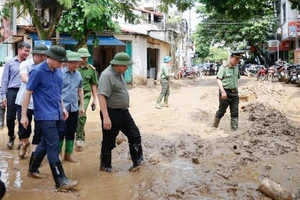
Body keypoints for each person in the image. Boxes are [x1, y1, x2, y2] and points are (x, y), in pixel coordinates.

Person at [20, 45, 78, 190]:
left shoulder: (58, 72)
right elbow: (27, 93)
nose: (61, 64)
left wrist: (63, 108)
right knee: (53, 145)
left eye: (62, 62)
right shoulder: (37, 72)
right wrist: (23, 116)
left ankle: (32, 170)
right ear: (49, 58)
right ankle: (60, 180)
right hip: (44, 115)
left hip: (57, 113)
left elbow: (58, 94)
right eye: (59, 61)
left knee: (45, 143)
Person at [98, 52, 143, 172]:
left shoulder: (119, 73)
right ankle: (105, 166)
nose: (127, 67)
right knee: (109, 142)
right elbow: (102, 96)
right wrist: (106, 117)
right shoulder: (106, 76)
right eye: (125, 65)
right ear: (117, 64)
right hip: (111, 113)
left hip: (124, 112)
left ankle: (137, 161)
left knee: (135, 135)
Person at [15, 44, 48, 158]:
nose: (43, 58)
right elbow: (24, 78)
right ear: (35, 55)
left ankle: (35, 153)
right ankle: (25, 142)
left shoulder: (47, 66)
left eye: (45, 55)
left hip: (40, 103)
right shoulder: (25, 64)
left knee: (39, 128)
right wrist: (39, 83)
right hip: (25, 101)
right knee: (24, 128)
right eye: (41, 55)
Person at [0, 42, 31, 149]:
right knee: (10, 117)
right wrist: (3, 95)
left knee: (22, 116)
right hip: (12, 92)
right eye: (25, 51)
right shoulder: (10, 63)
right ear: (19, 50)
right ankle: (11, 136)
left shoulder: (29, 64)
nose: (27, 53)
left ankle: (21, 139)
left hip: (24, 92)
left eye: (28, 51)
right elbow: (4, 80)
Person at [59, 51, 84, 162]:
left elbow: (80, 90)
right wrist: (62, 107)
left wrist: (82, 105)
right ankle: (58, 154)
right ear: (67, 62)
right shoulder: (59, 74)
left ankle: (68, 154)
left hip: (74, 107)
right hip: (61, 107)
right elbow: (57, 92)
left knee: (71, 131)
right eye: (73, 63)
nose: (75, 65)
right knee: (61, 130)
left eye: (77, 63)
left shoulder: (78, 75)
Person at [212, 51, 244, 131]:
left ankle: (234, 130)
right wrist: (222, 91)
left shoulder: (236, 67)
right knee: (221, 111)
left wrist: (236, 88)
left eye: (238, 59)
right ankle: (214, 127)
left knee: (235, 112)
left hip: (234, 93)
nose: (237, 61)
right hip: (225, 92)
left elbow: (236, 79)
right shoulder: (224, 67)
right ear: (231, 57)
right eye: (236, 59)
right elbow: (218, 79)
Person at [75, 47, 98, 148]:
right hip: (73, 95)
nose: (84, 60)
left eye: (86, 57)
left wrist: (95, 99)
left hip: (86, 95)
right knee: (72, 116)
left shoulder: (91, 70)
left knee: (81, 113)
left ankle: (80, 137)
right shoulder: (73, 68)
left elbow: (93, 84)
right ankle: (72, 134)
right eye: (82, 57)